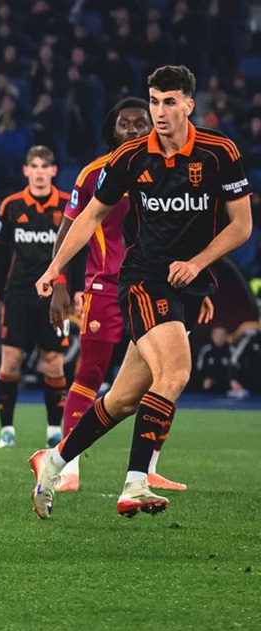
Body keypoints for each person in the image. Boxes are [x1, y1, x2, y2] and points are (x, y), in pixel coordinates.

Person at [31, 65, 252, 519]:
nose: (159, 112)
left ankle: (52, 461)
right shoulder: (131, 157)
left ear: (189, 104)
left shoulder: (219, 152)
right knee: (175, 373)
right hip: (144, 280)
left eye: (169, 102)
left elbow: (242, 226)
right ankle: (135, 483)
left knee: (123, 399)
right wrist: (55, 268)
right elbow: (90, 217)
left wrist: (198, 266)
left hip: (187, 283)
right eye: (154, 101)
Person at [48, 97, 183, 492]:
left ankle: (150, 467)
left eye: (140, 123)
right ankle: (67, 468)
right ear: (113, 130)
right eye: (124, 124)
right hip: (105, 286)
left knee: (166, 374)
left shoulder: (167, 170)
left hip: (155, 286)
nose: (133, 130)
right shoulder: (94, 174)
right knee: (91, 371)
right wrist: (59, 283)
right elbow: (68, 229)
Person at [0, 146, 68, 449]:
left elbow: (79, 250)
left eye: (45, 166)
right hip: (18, 294)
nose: (40, 172)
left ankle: (54, 430)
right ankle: (7, 430)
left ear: (53, 171)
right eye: (35, 166)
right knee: (10, 361)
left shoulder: (67, 205)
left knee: (53, 362)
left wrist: (77, 290)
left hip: (54, 296)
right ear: (26, 170)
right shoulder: (11, 206)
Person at [194, 326, 234, 394]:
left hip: (228, 388)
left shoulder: (232, 351)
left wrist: (233, 380)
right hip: (207, 389)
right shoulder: (206, 350)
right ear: (212, 336)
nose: (219, 338)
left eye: (222, 335)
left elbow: (236, 369)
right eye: (217, 335)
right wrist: (205, 379)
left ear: (226, 336)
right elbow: (199, 368)